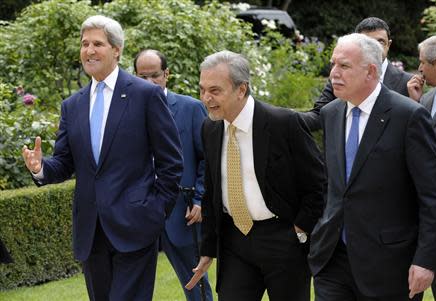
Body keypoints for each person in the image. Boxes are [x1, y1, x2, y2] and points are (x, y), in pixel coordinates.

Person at [22, 15, 183, 301]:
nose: (89, 50)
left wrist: (155, 212)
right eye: (84, 44)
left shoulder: (145, 95)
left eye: (97, 43)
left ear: (117, 50)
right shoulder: (72, 105)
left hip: (136, 226)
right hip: (91, 232)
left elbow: (171, 162)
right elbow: (65, 163)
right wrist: (40, 168)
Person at [308, 33, 436, 301]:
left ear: (371, 71)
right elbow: (335, 185)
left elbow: (432, 195)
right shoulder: (331, 113)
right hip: (332, 259)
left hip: (390, 265)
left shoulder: (409, 116)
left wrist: (426, 260)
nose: (333, 73)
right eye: (333, 64)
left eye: (344, 66)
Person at [186, 50, 326, 300]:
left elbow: (318, 184)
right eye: (202, 89)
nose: (206, 98)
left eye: (215, 91)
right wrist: (208, 248)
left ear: (242, 89)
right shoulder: (210, 127)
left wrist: (299, 230)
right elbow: (212, 190)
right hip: (234, 241)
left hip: (283, 239)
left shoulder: (284, 123)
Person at [134, 49, 213, 301]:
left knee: (195, 283)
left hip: (183, 212)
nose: (148, 83)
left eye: (154, 76)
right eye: (141, 77)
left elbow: (208, 160)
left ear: (166, 74)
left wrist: (200, 199)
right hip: (140, 214)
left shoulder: (191, 109)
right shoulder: (127, 112)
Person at [302, 17, 413, 131]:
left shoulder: (408, 83)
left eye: (380, 42)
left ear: (388, 45)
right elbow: (318, 115)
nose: (376, 48)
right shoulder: (339, 78)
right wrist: (287, 119)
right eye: (368, 43)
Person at [407, 35, 436, 301]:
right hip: (430, 213)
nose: (419, 69)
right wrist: (413, 103)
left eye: (422, 63)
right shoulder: (427, 99)